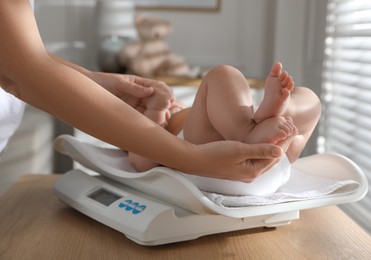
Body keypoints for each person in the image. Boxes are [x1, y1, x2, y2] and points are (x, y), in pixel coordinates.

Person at [0, 0, 284, 182]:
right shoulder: (155, 139)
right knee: (225, 74)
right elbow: (22, 70)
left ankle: (258, 122)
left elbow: (18, 57)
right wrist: (184, 147)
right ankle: (250, 129)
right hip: (201, 141)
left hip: (208, 136)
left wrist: (91, 79)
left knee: (303, 101)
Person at [128, 63, 321, 195]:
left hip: (272, 154)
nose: (150, 104)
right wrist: (156, 110)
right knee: (223, 75)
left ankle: (285, 110)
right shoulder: (162, 127)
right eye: (141, 108)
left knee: (311, 102)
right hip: (207, 160)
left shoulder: (196, 111)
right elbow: (140, 161)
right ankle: (248, 132)